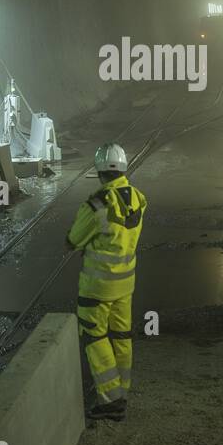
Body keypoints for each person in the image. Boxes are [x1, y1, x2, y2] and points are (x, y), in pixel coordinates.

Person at [65, 143, 147, 420]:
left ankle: (111, 400)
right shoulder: (138, 198)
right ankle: (121, 389)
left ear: (98, 170)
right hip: (125, 284)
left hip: (97, 287)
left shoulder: (96, 204)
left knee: (94, 336)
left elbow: (73, 240)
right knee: (122, 336)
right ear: (123, 168)